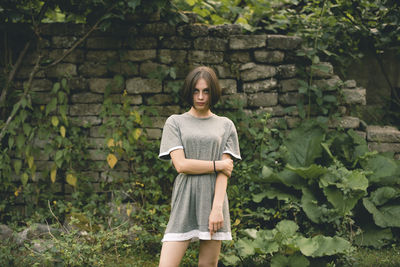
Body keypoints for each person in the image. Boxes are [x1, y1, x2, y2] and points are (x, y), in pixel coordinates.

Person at [158, 66, 241, 267]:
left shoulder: (226, 124)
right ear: (189, 91)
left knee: (208, 265)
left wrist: (217, 209)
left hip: (214, 199)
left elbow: (225, 173)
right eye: (196, 91)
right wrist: (217, 164)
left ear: (213, 92)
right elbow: (181, 165)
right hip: (184, 198)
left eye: (206, 91)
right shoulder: (175, 122)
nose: (201, 96)